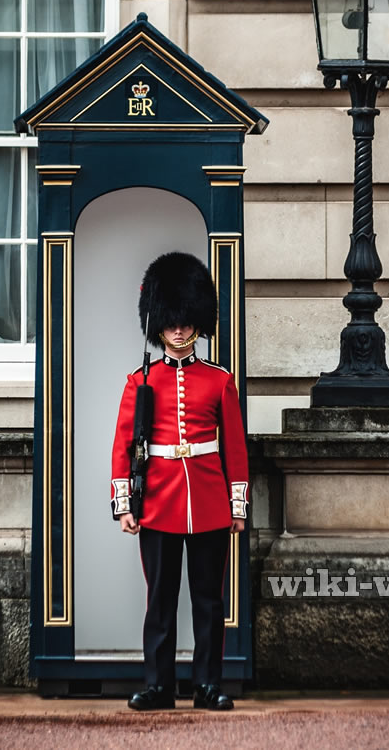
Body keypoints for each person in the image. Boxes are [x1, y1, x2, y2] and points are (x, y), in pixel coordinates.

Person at [110, 251, 249, 711]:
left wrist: (237, 505)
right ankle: (159, 685)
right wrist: (125, 503)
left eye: (186, 321)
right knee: (161, 602)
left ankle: (207, 684)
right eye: (171, 321)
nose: (179, 329)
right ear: (159, 322)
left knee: (209, 602)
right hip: (159, 502)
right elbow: (124, 446)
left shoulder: (219, 380)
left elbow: (233, 448)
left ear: (196, 320)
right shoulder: (139, 382)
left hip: (208, 500)